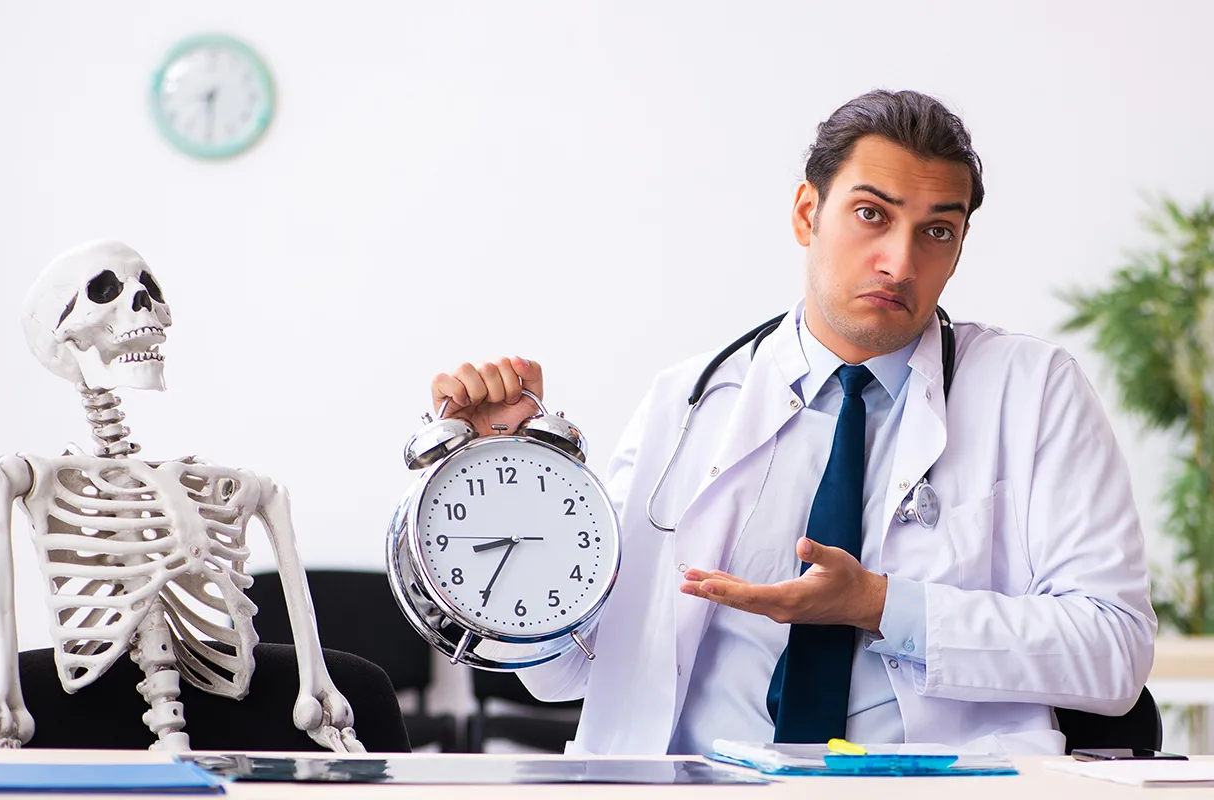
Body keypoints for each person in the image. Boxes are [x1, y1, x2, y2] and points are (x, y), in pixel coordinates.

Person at [428, 90, 1156, 756]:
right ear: (807, 213)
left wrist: (880, 606)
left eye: (937, 231)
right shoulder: (686, 403)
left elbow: (1114, 652)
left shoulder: (1032, 391)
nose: (900, 262)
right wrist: (511, 480)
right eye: (872, 215)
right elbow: (562, 671)